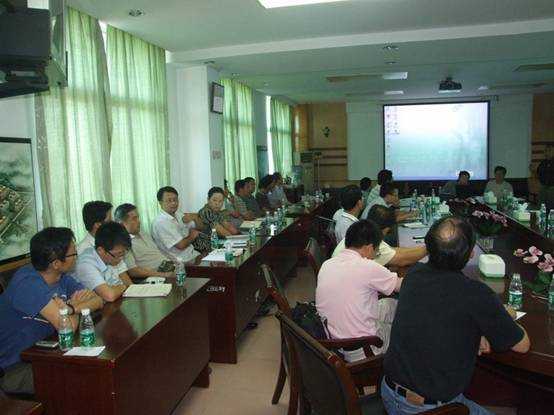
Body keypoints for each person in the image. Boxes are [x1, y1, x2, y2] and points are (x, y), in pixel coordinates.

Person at [382, 216, 530, 415]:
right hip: (427, 408)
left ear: (429, 246)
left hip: (390, 391)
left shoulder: (414, 274)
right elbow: (522, 345)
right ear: (471, 254)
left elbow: (439, 314)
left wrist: (475, 330)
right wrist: (504, 314)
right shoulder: (475, 294)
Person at [0, 228, 102, 394]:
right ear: (56, 263)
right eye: (73, 254)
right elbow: (67, 328)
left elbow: (98, 300)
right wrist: (76, 308)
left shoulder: (60, 277)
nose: (77, 257)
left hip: (47, 353)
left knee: (95, 368)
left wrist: (71, 308)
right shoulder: (28, 284)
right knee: (83, 379)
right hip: (15, 368)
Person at [317, 220, 402, 360]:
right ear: (369, 248)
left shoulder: (327, 264)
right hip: (364, 347)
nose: (375, 255)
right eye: (376, 251)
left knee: (389, 304)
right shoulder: (367, 267)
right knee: (405, 327)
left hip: (336, 341)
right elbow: (401, 286)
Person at [333, 205, 427, 268]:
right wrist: (429, 247)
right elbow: (403, 259)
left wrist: (420, 247)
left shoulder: (361, 231)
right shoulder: (371, 244)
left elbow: (392, 250)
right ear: (385, 230)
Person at [75, 222, 133, 302]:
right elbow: (110, 296)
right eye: (119, 254)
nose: (121, 258)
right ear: (101, 250)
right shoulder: (86, 264)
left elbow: (126, 285)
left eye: (123, 253)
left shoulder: (111, 257)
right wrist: (123, 286)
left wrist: (118, 288)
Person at [114, 203, 175, 278]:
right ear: (122, 224)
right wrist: (163, 275)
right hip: (157, 276)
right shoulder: (123, 244)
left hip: (169, 267)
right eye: (134, 218)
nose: (139, 221)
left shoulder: (143, 233)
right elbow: (133, 271)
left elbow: (157, 254)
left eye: (138, 217)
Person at [152, 186, 204, 260]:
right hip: (180, 261)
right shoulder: (161, 222)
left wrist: (195, 217)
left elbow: (200, 227)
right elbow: (181, 245)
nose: (173, 203)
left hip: (193, 254)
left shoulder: (179, 214)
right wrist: (192, 236)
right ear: (160, 203)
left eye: (175, 200)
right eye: (169, 200)